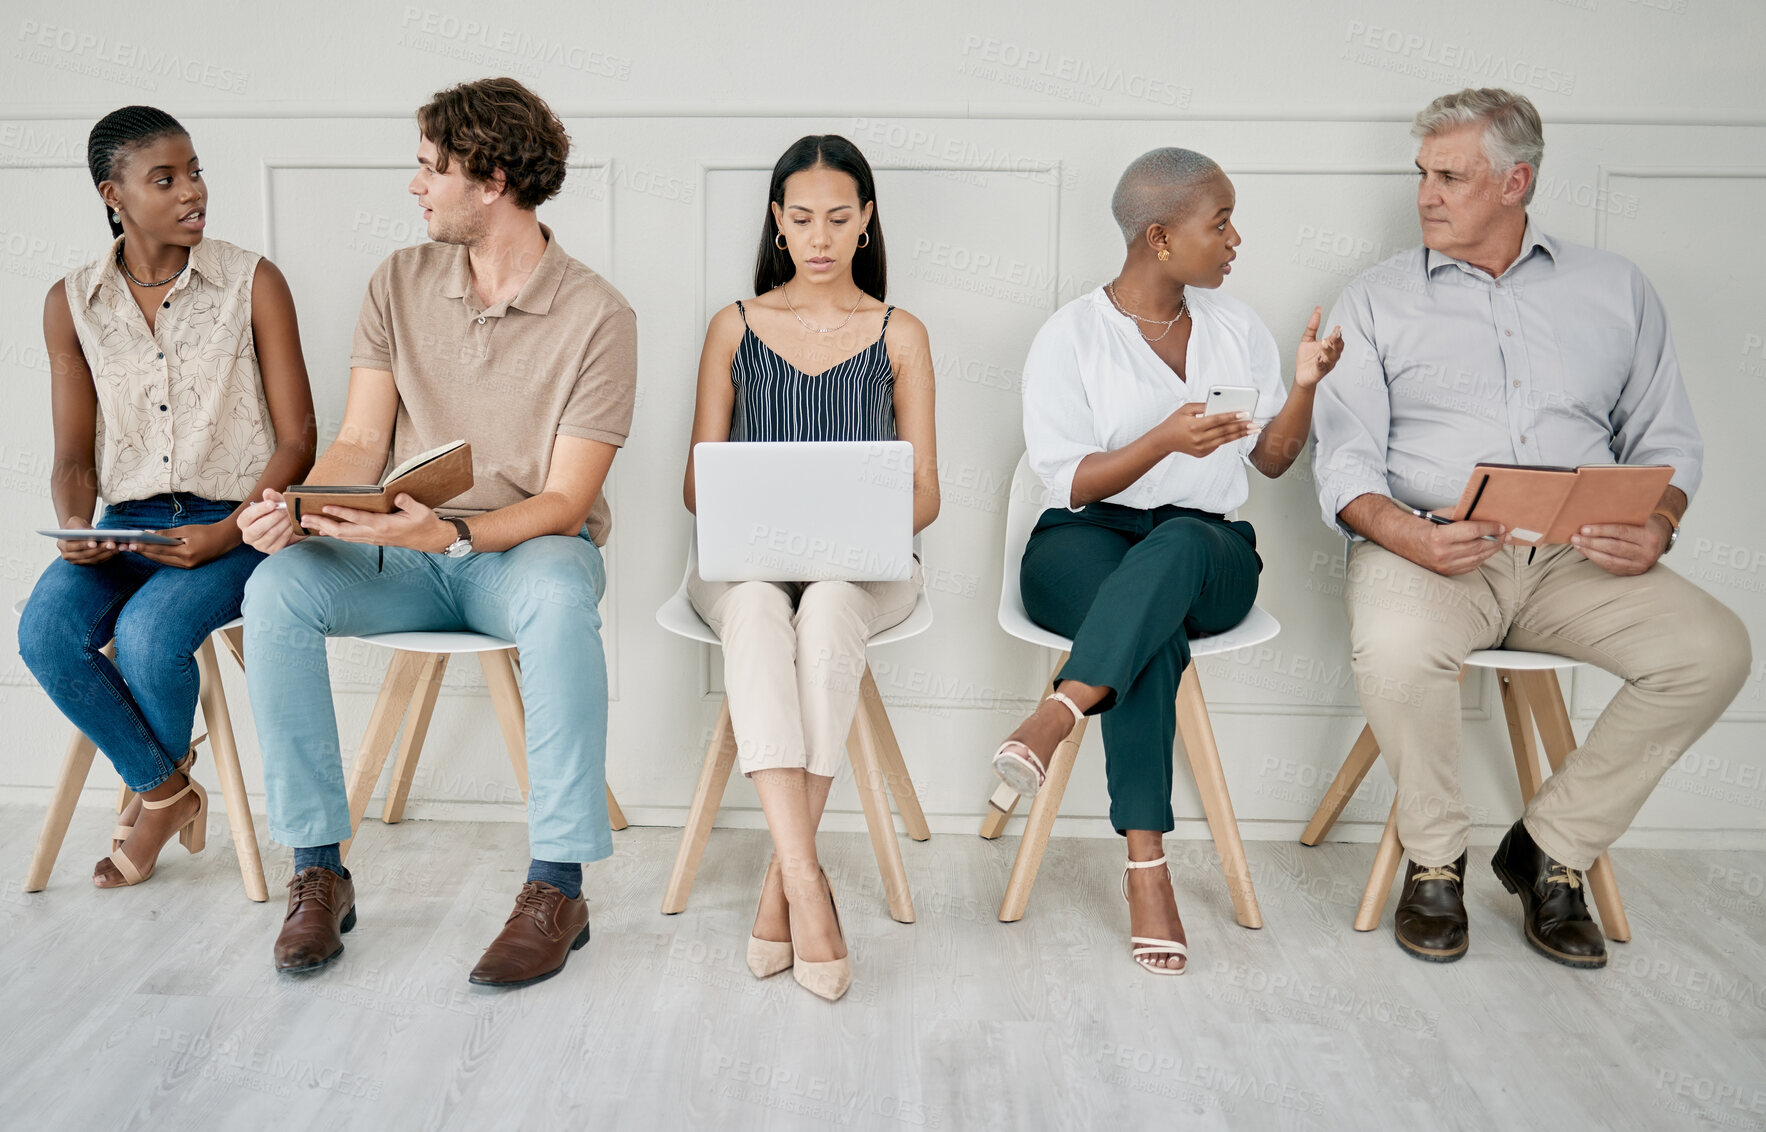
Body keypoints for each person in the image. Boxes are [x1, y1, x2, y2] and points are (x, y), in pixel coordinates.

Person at [1312, 87, 1751, 968]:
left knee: (1714, 650)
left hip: (1576, 560)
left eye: (1451, 176)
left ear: (1516, 182)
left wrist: (1658, 523)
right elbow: (1344, 462)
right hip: (1431, 550)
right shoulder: (1373, 299)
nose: (1427, 194)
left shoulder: (1615, 289)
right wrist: (1411, 537)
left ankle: (1551, 849)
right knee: (1396, 650)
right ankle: (1434, 860)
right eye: (1423, 175)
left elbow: (1667, 439)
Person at [236, 78, 637, 988]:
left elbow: (568, 502)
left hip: (521, 552)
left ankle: (557, 885)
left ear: (492, 178)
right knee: (276, 589)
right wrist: (299, 507)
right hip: (401, 548)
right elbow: (359, 438)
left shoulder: (600, 316)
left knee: (562, 593)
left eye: (430, 168)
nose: (415, 186)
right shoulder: (398, 280)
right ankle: (318, 867)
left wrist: (452, 540)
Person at [994, 147, 1344, 975]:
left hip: (1207, 552)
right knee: (1146, 631)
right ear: (1159, 238)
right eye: (1218, 222)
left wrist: (1301, 388)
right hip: (1083, 543)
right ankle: (1147, 869)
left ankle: (1060, 709)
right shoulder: (1070, 336)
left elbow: (1270, 464)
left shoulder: (1237, 328)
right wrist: (1162, 440)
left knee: (1178, 543)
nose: (1234, 239)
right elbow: (1073, 480)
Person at [19, 106, 316, 888]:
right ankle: (166, 789)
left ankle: (151, 807)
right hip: (128, 522)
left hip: (240, 519)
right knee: (45, 632)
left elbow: (297, 441)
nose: (193, 191)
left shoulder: (253, 281)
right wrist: (78, 525)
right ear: (112, 193)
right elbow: (72, 457)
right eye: (165, 179)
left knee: (152, 634)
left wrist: (229, 535)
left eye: (195, 171)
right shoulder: (71, 302)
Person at [681, 135, 939, 1001]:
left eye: (838, 217)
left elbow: (927, 493)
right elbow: (696, 482)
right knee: (757, 608)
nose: (819, 236)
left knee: (826, 607)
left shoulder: (901, 333)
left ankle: (781, 882)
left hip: (865, 568)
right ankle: (806, 884)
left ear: (866, 221)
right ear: (777, 223)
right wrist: (765, 497)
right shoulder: (736, 325)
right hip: (741, 561)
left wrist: (849, 517)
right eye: (800, 219)